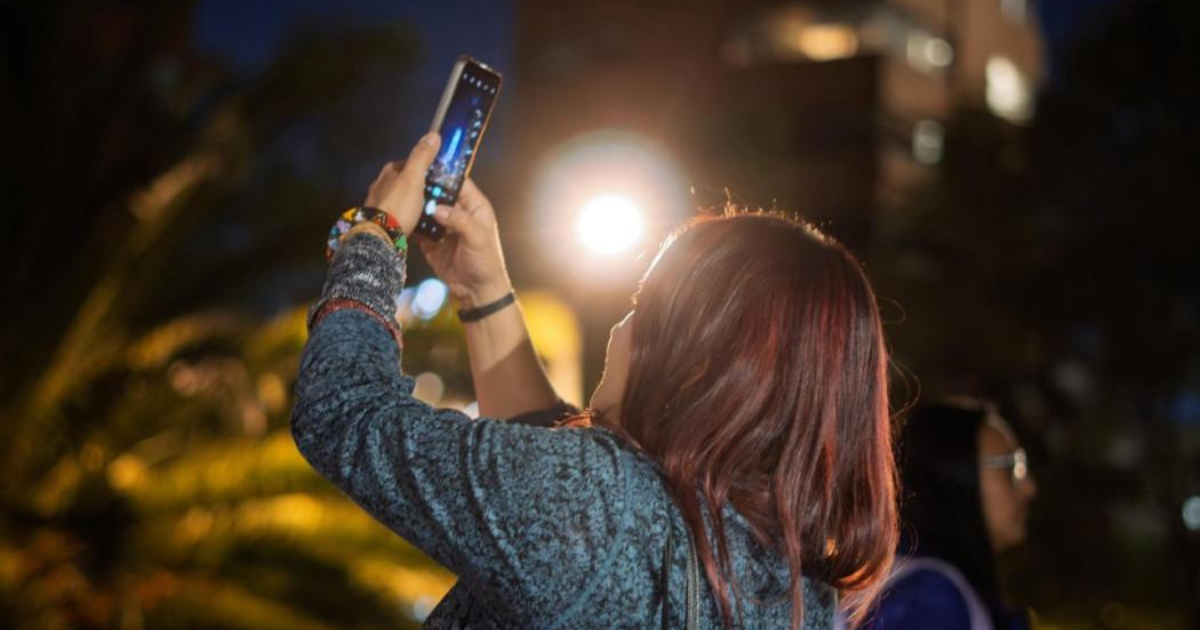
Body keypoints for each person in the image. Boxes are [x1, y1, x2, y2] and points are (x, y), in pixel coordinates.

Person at [290, 133, 899, 629]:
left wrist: (375, 232)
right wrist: (483, 290)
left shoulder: (593, 504)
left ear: (689, 358)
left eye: (642, 303)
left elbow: (343, 408)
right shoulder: (800, 593)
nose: (622, 325)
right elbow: (547, 470)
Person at [863, 400, 1038, 630]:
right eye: (1011, 467)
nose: (1030, 488)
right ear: (952, 472)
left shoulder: (924, 588)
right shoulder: (927, 599)